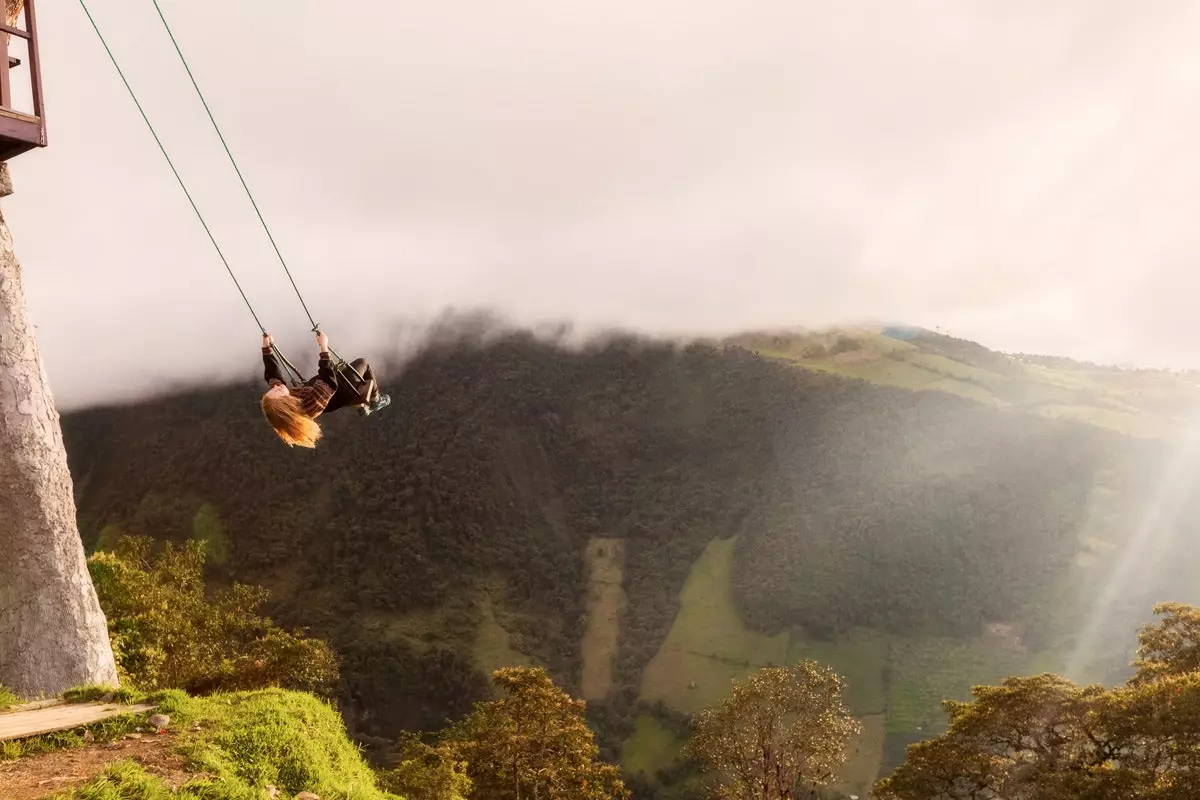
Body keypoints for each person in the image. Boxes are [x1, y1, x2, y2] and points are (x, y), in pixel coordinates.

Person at [260, 330, 391, 448]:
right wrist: (324, 347)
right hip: (342, 391)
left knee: (347, 371)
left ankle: (360, 405)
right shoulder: (310, 406)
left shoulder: (286, 399)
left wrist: (266, 348)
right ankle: (375, 401)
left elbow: (273, 377)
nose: (277, 387)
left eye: (273, 389)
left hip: (333, 392)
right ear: (285, 404)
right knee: (363, 364)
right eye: (277, 391)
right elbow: (328, 382)